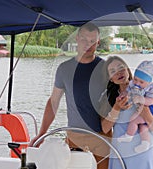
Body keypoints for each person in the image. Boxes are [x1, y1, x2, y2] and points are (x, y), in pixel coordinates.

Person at [29, 22, 111, 169]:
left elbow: (119, 99)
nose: (88, 45)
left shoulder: (107, 69)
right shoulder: (64, 69)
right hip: (75, 137)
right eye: (84, 39)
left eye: (93, 41)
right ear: (77, 39)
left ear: (98, 42)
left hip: (102, 136)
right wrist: (42, 134)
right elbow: (53, 102)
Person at [100, 56, 153, 169]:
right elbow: (105, 128)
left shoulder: (146, 91)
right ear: (110, 78)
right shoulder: (108, 97)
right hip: (121, 152)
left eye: (121, 68)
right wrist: (116, 108)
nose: (119, 73)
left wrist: (143, 108)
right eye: (113, 71)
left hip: (143, 152)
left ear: (127, 69)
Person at [117, 59, 153, 153]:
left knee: (133, 119)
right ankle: (145, 143)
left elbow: (152, 100)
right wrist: (123, 95)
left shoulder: (150, 88)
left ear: (148, 82)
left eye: (141, 82)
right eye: (135, 79)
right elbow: (127, 91)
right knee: (143, 127)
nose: (137, 83)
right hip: (141, 107)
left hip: (151, 108)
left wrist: (142, 100)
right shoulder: (133, 84)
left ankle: (128, 135)